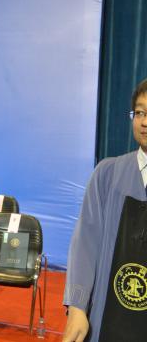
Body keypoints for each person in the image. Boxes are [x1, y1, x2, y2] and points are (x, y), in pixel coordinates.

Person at [63, 78, 147, 342]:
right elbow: (85, 244)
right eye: (140, 112)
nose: (144, 122)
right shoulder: (108, 174)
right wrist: (77, 307)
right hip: (108, 321)